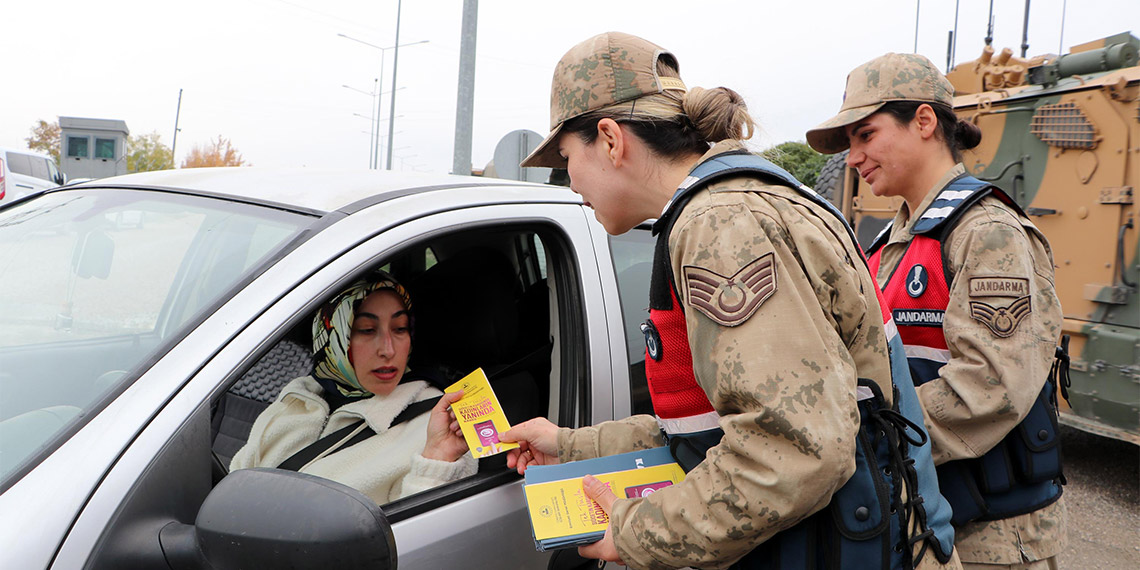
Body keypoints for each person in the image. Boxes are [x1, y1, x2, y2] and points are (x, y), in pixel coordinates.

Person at [504, 32, 959, 570]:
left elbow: (791, 451)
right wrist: (571, 445)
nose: (569, 179)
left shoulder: (721, 225)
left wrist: (636, 533)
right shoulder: (738, 200)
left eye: (566, 156)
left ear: (609, 138)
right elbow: (716, 424)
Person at [805, 53, 1067, 570]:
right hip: (927, 513)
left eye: (866, 135)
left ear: (924, 121)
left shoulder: (986, 232)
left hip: (990, 537)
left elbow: (992, 384)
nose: (854, 158)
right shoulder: (893, 240)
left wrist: (864, 438)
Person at [230, 271, 477, 504]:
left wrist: (437, 460)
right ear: (331, 335)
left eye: (400, 329)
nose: (388, 350)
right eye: (367, 330)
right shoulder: (298, 398)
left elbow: (421, 537)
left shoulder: (438, 424)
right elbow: (235, 491)